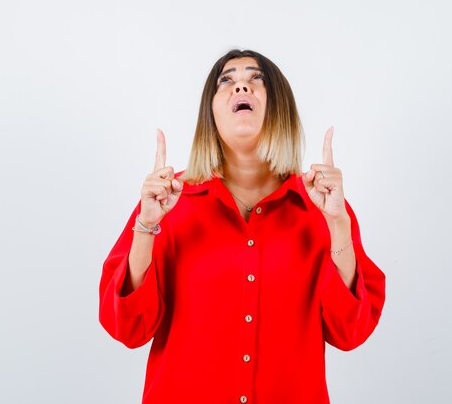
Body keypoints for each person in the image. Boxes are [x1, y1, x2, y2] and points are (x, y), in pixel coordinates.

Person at [98, 49, 386, 404]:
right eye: (227, 81)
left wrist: (338, 229)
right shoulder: (166, 202)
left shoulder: (323, 207)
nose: (241, 88)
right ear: (211, 112)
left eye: (256, 79)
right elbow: (128, 329)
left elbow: (349, 332)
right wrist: (145, 228)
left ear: (280, 107)